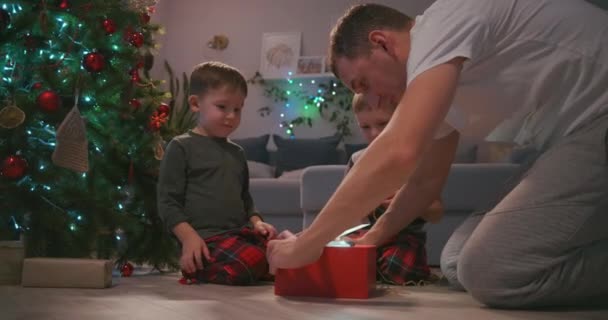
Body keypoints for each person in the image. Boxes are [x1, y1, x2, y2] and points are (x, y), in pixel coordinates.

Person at [267, 1, 608, 308]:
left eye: (363, 84)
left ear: (381, 43)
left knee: (489, 272)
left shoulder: (443, 22)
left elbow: (399, 151)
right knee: (456, 262)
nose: (371, 103)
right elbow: (425, 182)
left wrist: (308, 243)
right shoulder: (445, 83)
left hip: (598, 117)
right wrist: (371, 238)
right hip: (569, 139)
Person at [158, 61, 277, 285]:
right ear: (195, 104)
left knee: (283, 248)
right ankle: (197, 269)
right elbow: (167, 203)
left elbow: (245, 199)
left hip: (239, 235)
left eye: (238, 109)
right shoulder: (181, 147)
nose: (231, 116)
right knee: (249, 262)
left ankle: (261, 265)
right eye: (222, 107)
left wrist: (257, 223)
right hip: (205, 239)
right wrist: (189, 239)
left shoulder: (237, 153)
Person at [346, 93, 447, 285]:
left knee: (396, 266)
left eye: (383, 124)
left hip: (404, 238)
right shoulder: (357, 160)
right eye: (365, 127)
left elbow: (437, 212)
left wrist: (409, 201)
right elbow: (348, 210)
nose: (374, 133)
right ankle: (367, 268)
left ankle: (378, 270)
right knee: (338, 250)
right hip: (366, 234)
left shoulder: (417, 160)